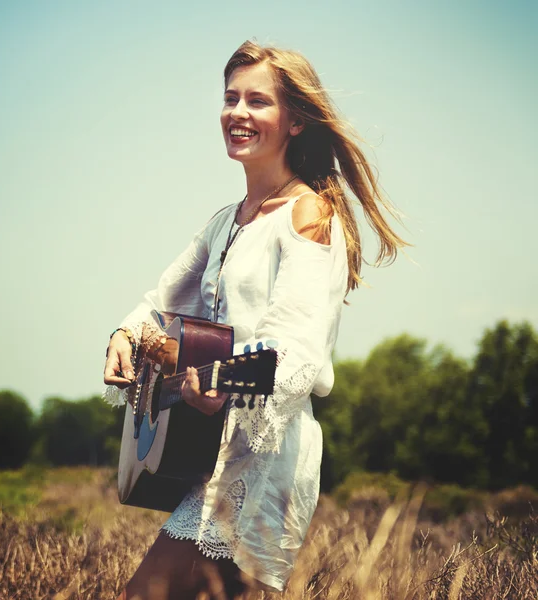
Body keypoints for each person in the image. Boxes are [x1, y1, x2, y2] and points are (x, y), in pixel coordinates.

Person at [103, 40, 408, 599]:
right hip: (209, 453)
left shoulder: (309, 215)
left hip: (265, 464)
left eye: (258, 102)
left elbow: (295, 352)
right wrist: (124, 334)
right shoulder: (226, 221)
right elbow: (161, 300)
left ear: (294, 121)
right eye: (230, 98)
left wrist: (219, 382)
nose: (238, 113)